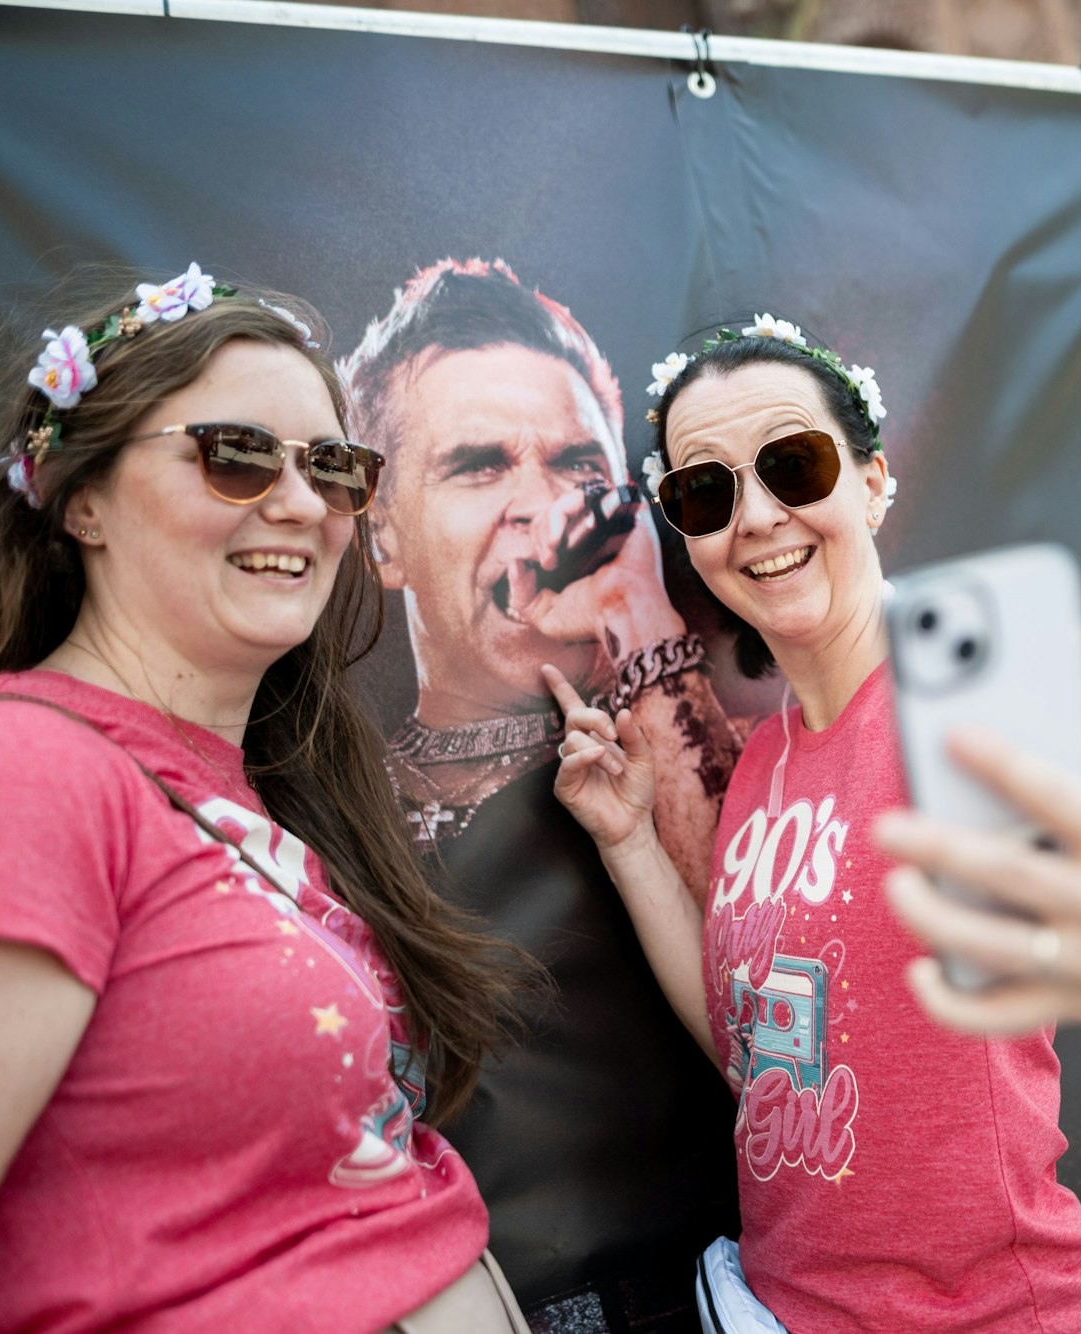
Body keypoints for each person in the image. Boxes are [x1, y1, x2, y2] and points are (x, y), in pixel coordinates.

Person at [546, 315, 1081, 1331]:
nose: (758, 516)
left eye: (794, 463)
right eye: (708, 489)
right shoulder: (764, 762)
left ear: (870, 479)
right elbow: (762, 1058)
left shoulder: (967, 704)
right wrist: (631, 842)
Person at [0, 267, 536, 1332]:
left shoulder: (271, 788)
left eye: (333, 466)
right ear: (82, 498)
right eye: (237, 454)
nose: (301, 501)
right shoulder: (19, 770)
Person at [339, 260, 743, 1329]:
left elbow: (761, 984)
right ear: (382, 533)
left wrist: (645, 624)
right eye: (478, 466)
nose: (539, 504)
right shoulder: (323, 805)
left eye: (574, 464)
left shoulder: (712, 740)